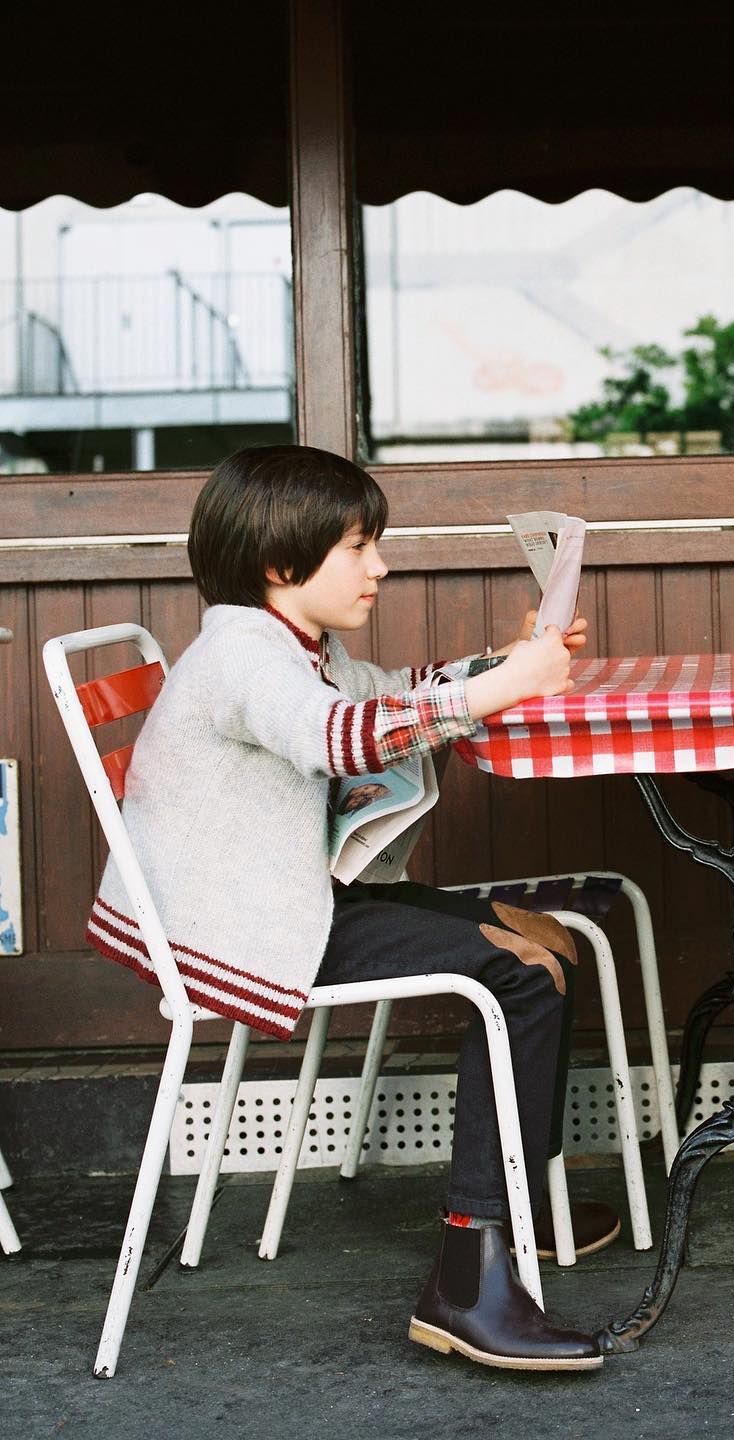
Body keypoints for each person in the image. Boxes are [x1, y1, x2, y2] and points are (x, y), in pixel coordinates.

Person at [85, 445, 608, 1371]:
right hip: (251, 934)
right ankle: (468, 1268)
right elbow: (341, 738)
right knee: (522, 971)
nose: (381, 566)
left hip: (283, 903)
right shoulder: (242, 656)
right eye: (360, 546)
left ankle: (515, 1206)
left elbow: (383, 696)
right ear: (283, 565)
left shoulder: (291, 647)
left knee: (545, 939)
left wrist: (506, 662)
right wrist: (509, 685)